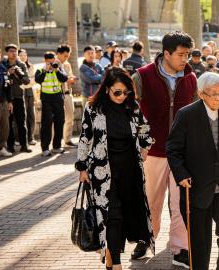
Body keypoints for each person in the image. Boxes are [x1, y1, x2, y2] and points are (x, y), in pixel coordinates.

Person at [75, 67, 155, 270]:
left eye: (126, 92)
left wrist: (145, 148)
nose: (122, 96)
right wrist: (82, 168)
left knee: (126, 217)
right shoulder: (93, 108)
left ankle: (110, 261)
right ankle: (116, 265)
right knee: (112, 216)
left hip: (130, 172)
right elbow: (85, 139)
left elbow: (145, 128)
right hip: (103, 173)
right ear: (107, 88)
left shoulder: (132, 106)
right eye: (117, 92)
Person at [130, 31, 196, 267]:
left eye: (188, 54)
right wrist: (139, 143)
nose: (185, 59)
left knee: (180, 203)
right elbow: (129, 111)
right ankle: (145, 237)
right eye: (180, 54)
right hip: (152, 152)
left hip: (181, 154)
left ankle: (181, 248)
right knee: (151, 200)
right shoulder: (142, 76)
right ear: (166, 53)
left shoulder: (190, 78)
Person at [166, 72, 219, 270]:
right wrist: (181, 175)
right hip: (196, 188)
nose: (218, 98)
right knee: (200, 242)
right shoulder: (186, 115)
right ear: (201, 94)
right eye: (213, 94)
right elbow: (173, 149)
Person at [35, 51, 68, 156]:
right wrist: (45, 71)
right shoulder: (40, 70)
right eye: (49, 62)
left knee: (60, 122)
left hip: (58, 99)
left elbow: (64, 78)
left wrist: (57, 70)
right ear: (45, 61)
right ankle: (45, 148)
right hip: (46, 100)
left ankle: (57, 146)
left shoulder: (58, 68)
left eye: (53, 61)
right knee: (47, 123)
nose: (51, 64)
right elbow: (38, 80)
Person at [4, 44, 31, 153]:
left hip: (19, 97)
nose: (14, 53)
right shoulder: (3, 64)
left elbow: (27, 81)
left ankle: (24, 145)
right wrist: (8, 73)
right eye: (11, 51)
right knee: (9, 123)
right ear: (7, 53)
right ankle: (10, 146)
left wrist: (17, 74)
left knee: (21, 123)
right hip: (7, 99)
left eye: (15, 51)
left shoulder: (21, 65)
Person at [56, 45, 78, 148]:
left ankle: (67, 140)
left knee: (70, 117)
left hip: (68, 93)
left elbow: (69, 76)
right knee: (58, 119)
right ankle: (56, 142)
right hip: (57, 95)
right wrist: (67, 79)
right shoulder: (54, 64)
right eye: (65, 55)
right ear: (59, 54)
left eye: (68, 56)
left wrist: (71, 79)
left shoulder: (67, 64)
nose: (67, 58)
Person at [0, 46, 13, 158]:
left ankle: (1, 148)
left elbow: (7, 87)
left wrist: (10, 101)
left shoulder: (3, 68)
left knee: (5, 127)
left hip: (4, 102)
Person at [18, 49, 37, 146]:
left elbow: (33, 81)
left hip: (30, 93)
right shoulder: (16, 67)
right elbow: (22, 82)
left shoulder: (31, 66)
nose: (23, 57)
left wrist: (26, 83)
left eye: (25, 55)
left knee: (31, 116)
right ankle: (20, 140)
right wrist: (27, 83)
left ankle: (31, 138)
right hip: (20, 94)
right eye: (21, 55)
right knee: (21, 117)